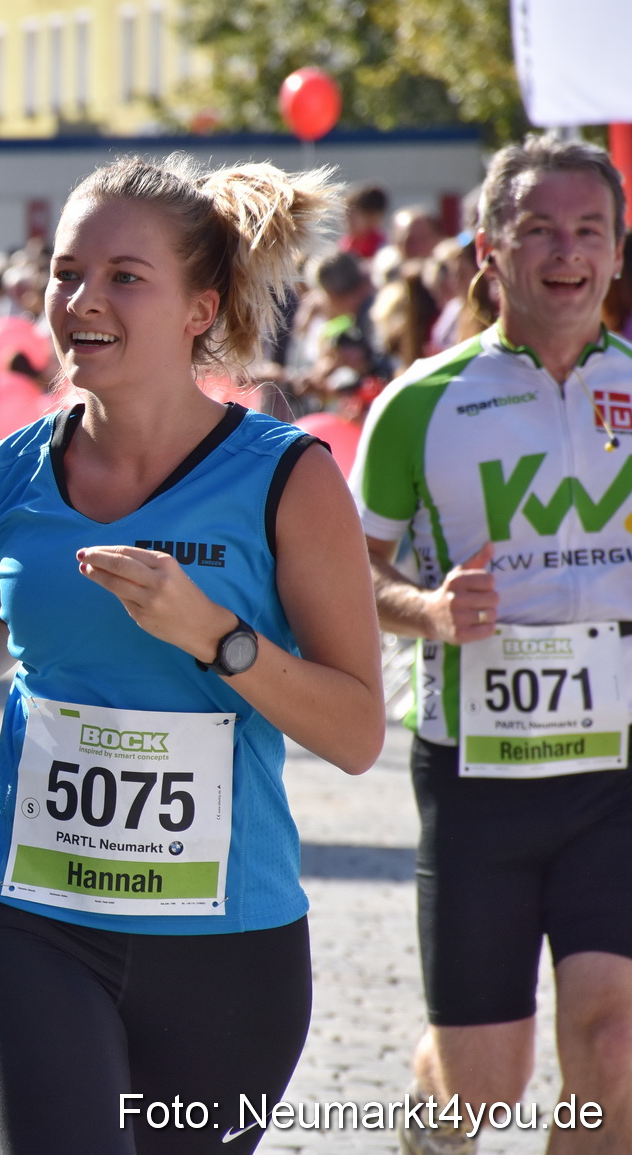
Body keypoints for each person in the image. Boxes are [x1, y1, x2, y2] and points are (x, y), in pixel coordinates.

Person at [0, 155, 385, 1154]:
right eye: (66, 271)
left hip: (226, 945)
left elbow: (357, 731)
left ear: (200, 309)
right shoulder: (1, 476)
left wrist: (217, 637)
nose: (80, 300)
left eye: (124, 276)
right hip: (26, 917)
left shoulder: (286, 480)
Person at [352, 136, 632, 1155]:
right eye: (539, 229)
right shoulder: (421, 404)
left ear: (613, 250)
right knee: (485, 1089)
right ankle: (432, 1121)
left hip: (618, 771)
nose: (566, 251)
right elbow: (345, 575)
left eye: (588, 230)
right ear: (489, 250)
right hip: (480, 772)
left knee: (612, 1054)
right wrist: (426, 612)